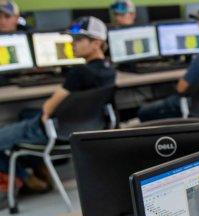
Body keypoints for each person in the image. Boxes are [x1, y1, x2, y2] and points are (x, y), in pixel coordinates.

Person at [0, 16, 116, 196]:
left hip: (56, 131)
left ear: (96, 43)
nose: (72, 44)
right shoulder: (109, 71)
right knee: (24, 113)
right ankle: (41, 168)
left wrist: (46, 112)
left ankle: (26, 179)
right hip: (88, 127)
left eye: (78, 40)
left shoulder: (79, 72)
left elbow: (48, 108)